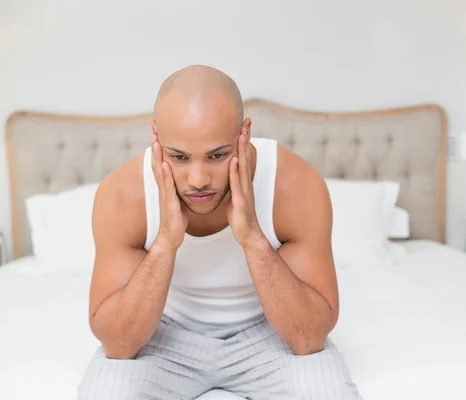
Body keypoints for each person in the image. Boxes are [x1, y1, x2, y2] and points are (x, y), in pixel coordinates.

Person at [77, 65, 363, 400]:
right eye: (179, 157)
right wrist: (166, 244)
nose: (198, 179)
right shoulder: (123, 194)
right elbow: (118, 344)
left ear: (244, 134)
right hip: (162, 335)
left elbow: (308, 338)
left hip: (270, 333)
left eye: (217, 155)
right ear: (157, 138)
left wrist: (253, 237)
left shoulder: (296, 185)